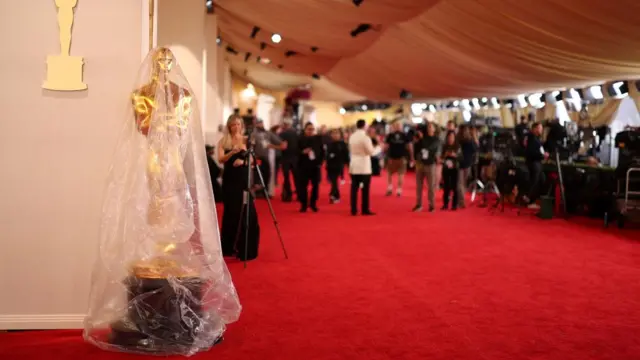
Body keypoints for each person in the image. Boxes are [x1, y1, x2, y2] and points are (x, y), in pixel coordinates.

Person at [217, 115, 260, 260]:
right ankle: (228, 246)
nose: (236, 127)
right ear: (229, 126)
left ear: (242, 125)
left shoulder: (246, 140)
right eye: (233, 125)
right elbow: (220, 159)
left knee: (247, 210)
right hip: (229, 180)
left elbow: (253, 160)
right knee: (230, 212)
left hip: (243, 179)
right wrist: (232, 153)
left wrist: (243, 162)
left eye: (238, 124)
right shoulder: (223, 141)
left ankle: (244, 246)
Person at [349, 119, 377, 216]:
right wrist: (379, 148)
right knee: (365, 190)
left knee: (354, 189)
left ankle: (353, 209)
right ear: (364, 126)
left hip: (354, 165)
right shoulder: (365, 137)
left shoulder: (352, 136)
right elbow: (371, 152)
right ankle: (365, 209)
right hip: (364, 166)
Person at [252, 119, 286, 197]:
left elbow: (278, 141)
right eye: (259, 123)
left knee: (267, 175)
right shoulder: (253, 134)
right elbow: (251, 145)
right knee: (257, 177)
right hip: (257, 158)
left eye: (261, 123)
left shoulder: (268, 133)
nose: (260, 125)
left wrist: (282, 144)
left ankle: (266, 191)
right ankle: (258, 192)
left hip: (267, 158)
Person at [413, 122, 441, 212]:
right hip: (420, 163)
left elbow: (429, 148)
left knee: (431, 186)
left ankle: (432, 205)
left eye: (430, 127)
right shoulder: (422, 138)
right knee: (419, 186)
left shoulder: (436, 139)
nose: (428, 128)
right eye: (427, 127)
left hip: (430, 164)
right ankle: (418, 204)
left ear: (434, 129)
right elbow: (417, 148)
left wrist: (421, 139)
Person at [297, 122, 325, 212]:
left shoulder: (318, 139)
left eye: (312, 129)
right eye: (309, 129)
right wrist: (302, 152)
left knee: (315, 186)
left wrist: (320, 162)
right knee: (302, 186)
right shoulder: (300, 139)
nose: (311, 131)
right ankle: (303, 204)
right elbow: (294, 151)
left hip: (315, 166)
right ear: (305, 130)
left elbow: (322, 151)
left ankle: (313, 203)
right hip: (303, 166)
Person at [523, 122, 548, 210]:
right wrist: (542, 155)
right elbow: (531, 152)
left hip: (537, 163)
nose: (540, 130)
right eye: (539, 128)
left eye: (541, 128)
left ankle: (532, 199)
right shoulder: (531, 138)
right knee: (535, 181)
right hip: (533, 163)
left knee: (541, 180)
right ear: (534, 129)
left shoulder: (536, 139)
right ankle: (528, 199)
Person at [384, 120, 413, 196]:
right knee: (401, 174)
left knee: (390, 173)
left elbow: (386, 147)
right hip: (401, 157)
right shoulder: (405, 135)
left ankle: (390, 187)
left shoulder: (390, 135)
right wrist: (411, 157)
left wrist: (385, 155)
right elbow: (409, 146)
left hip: (392, 157)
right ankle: (399, 189)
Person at [457, 125, 478, 208]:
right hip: (465, 163)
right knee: (462, 183)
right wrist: (475, 136)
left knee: (461, 183)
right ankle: (461, 200)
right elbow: (476, 149)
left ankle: (460, 200)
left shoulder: (459, 139)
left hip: (462, 163)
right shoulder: (470, 140)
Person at [326, 128, 349, 203]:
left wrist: (348, 164)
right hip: (330, 165)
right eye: (333, 133)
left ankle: (332, 194)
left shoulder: (342, 144)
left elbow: (346, 155)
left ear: (340, 135)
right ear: (331, 135)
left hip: (339, 165)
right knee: (333, 181)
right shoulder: (328, 143)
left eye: (337, 133)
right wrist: (329, 156)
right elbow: (325, 155)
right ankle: (336, 197)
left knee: (334, 180)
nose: (335, 135)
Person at [278, 119, 299, 202]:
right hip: (295, 158)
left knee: (286, 178)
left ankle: (288, 195)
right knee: (296, 178)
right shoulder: (296, 134)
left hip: (285, 158)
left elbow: (280, 146)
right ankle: (299, 194)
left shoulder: (281, 134)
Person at [441, 131, 460, 210]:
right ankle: (445, 204)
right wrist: (445, 155)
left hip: (455, 168)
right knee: (446, 187)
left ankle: (454, 205)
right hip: (446, 168)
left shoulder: (457, 146)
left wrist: (455, 155)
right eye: (449, 137)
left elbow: (461, 157)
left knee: (455, 187)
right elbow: (441, 157)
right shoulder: (444, 146)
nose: (450, 138)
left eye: (452, 137)